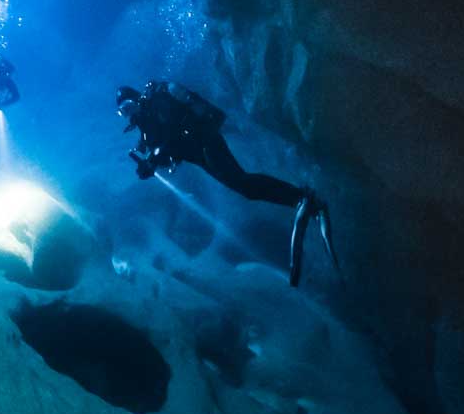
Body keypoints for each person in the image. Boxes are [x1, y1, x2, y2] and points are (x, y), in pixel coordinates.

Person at [116, 81, 335, 287]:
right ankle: (300, 199)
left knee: (243, 183)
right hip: (199, 155)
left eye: (127, 106)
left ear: (135, 98)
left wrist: (154, 157)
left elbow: (174, 130)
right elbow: (166, 153)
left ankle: (301, 198)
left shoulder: (157, 101)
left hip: (205, 141)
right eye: (122, 112)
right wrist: (149, 168)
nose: (128, 113)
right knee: (245, 188)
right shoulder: (146, 129)